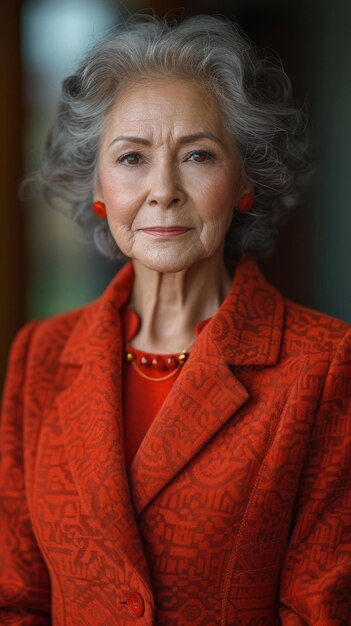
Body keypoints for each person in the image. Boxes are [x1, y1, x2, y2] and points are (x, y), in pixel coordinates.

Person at [0, 14, 350, 626]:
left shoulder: (325, 363)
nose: (164, 189)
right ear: (98, 186)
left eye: (198, 155)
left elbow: (323, 610)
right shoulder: (41, 355)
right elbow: (15, 596)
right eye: (132, 157)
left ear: (243, 180)